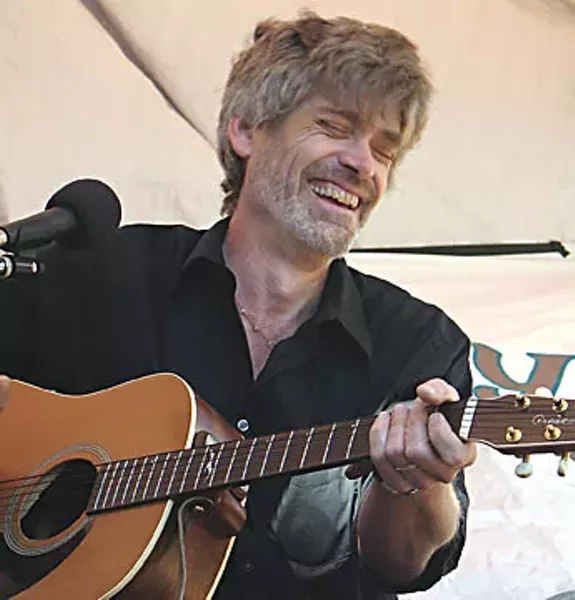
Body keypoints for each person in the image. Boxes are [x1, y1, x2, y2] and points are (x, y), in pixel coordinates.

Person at [0, 10, 477, 600]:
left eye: (386, 151)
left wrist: (418, 483)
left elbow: (402, 566)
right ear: (246, 130)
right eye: (335, 127)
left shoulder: (420, 345)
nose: (363, 165)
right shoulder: (95, 272)